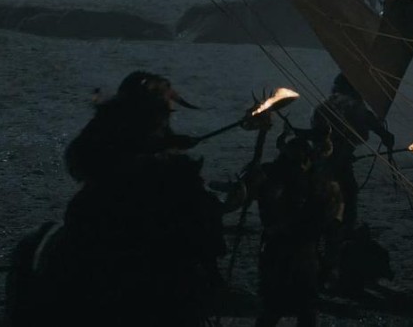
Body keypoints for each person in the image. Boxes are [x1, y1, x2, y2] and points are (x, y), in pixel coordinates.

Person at [35, 71, 226, 326]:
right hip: (113, 194)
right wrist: (139, 161)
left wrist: (172, 144)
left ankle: (207, 275)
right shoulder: (109, 122)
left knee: (200, 209)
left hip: (154, 189)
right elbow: (84, 158)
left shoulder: (155, 120)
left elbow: (159, 144)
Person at [255, 136, 339, 327]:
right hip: (285, 252)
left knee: (301, 308)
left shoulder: (312, 183)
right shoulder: (277, 183)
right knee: (277, 307)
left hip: (297, 252)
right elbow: (270, 214)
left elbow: (324, 218)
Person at [311, 74, 393, 241]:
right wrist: (384, 134)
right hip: (336, 161)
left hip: (321, 161)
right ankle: (344, 231)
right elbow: (367, 118)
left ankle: (326, 230)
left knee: (325, 196)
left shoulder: (322, 106)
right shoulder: (351, 105)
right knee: (348, 193)